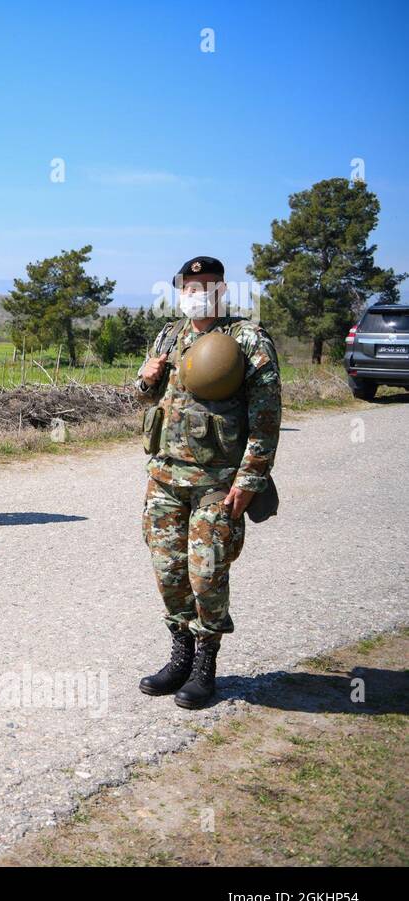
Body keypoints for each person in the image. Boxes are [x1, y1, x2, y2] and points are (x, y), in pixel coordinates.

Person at [134, 256, 282, 708]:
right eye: (190, 285)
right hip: (164, 477)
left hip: (217, 482)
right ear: (180, 291)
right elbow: (147, 394)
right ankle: (179, 655)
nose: (198, 292)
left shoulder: (247, 340)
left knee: (207, 574)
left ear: (223, 289)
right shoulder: (169, 335)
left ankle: (206, 665)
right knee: (169, 571)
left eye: (208, 285)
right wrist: (144, 379)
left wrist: (250, 479)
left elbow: (266, 417)